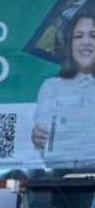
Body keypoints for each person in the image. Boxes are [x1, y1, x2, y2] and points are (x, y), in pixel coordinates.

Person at [34, 11, 95, 168]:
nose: (86, 42)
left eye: (93, 35)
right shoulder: (52, 87)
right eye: (79, 36)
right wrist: (38, 137)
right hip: (62, 181)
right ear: (70, 43)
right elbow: (42, 135)